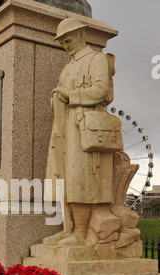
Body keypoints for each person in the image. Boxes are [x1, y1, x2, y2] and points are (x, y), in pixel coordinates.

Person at [46, 18, 116, 247]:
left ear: (81, 36)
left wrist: (71, 96)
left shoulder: (96, 59)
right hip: (64, 128)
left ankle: (82, 233)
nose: (65, 45)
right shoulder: (67, 67)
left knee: (80, 180)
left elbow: (100, 90)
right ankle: (69, 230)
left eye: (68, 40)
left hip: (84, 129)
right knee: (64, 179)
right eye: (62, 42)